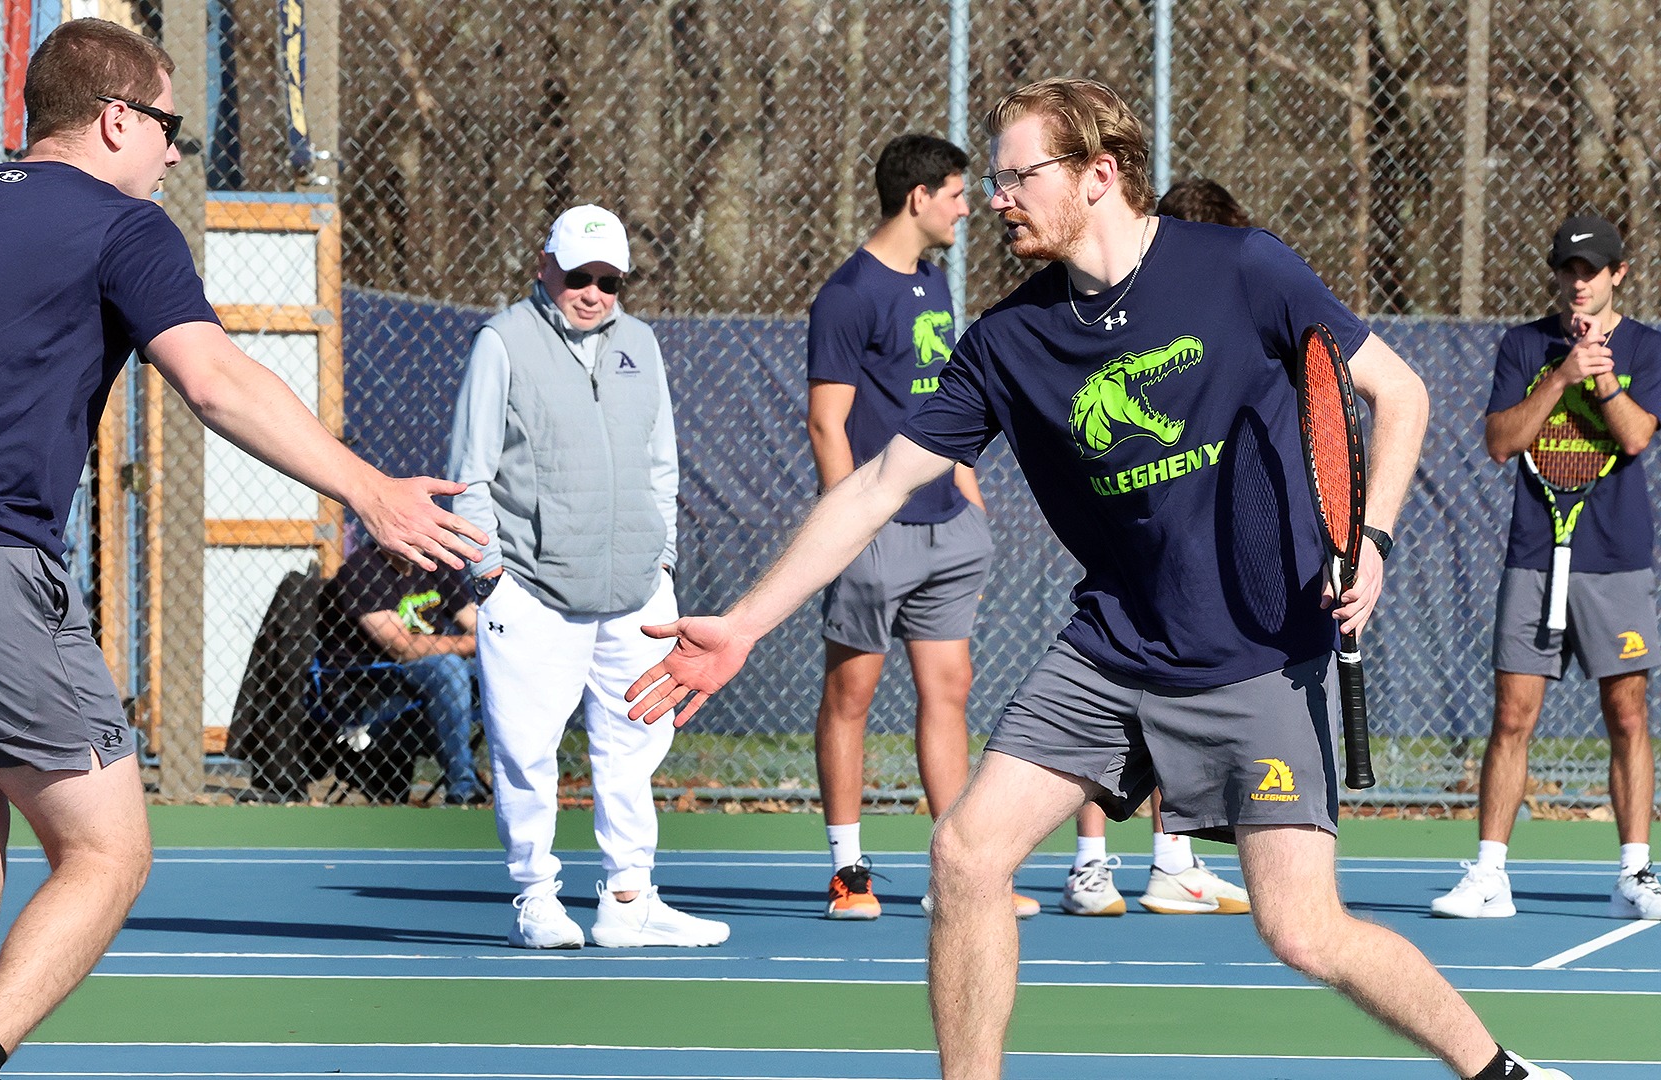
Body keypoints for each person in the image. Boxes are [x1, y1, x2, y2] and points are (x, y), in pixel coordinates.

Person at [627, 78, 1571, 1080]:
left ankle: (1500, 1071)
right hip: (1112, 653)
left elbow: (1401, 392)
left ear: (1099, 174)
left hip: (1259, 655)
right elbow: (872, 488)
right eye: (991, 181)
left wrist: (1371, 538)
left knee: (1304, 930)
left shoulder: (1243, 268)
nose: (998, 199)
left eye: (1018, 176)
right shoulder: (1005, 341)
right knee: (964, 855)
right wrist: (746, 622)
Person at [0, 19, 484, 1080]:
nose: (176, 153)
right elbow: (216, 379)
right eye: (170, 128)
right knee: (107, 854)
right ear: (117, 118)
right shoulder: (123, 227)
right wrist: (370, 487)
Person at [448, 204, 729, 950]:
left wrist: (661, 559)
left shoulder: (641, 344)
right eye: (580, 276)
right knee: (526, 750)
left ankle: (629, 899)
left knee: (637, 742)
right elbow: (469, 474)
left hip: (636, 593)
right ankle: (537, 898)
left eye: (610, 280)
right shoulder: (502, 342)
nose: (595, 293)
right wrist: (490, 577)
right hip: (532, 593)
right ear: (546, 268)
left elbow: (661, 462)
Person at [805, 134, 1016, 920]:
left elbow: (945, 404)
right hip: (874, 529)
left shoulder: (934, 285)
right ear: (918, 198)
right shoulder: (849, 293)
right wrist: (846, 527)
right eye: (958, 195)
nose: (969, 208)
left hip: (947, 528)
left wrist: (967, 486)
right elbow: (828, 424)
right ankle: (849, 871)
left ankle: (958, 873)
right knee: (852, 692)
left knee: (950, 690)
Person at [1433, 214, 1661, 921]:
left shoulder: (1648, 348)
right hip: (1535, 554)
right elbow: (1501, 442)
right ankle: (1491, 874)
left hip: (1615, 558)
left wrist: (1603, 379)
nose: (1578, 282)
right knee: (1512, 715)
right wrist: (1563, 374)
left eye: (1591, 271)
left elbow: (1634, 438)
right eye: (1568, 270)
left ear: (1618, 275)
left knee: (1626, 713)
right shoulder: (1524, 344)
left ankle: (1635, 873)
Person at [1059, 175, 1257, 917]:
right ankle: (1095, 866)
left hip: (1179, 553)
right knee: (1112, 709)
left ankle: (1166, 860)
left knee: (1161, 703)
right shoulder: (1124, 327)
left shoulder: (1192, 322)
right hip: (1140, 554)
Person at [324, 541, 486, 805]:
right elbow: (402, 648)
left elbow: (478, 625)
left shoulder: (436, 562)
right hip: (380, 692)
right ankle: (463, 785)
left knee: (499, 668)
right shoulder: (362, 569)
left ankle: (518, 781)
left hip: (436, 687)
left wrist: (498, 642)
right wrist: (474, 644)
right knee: (449, 667)